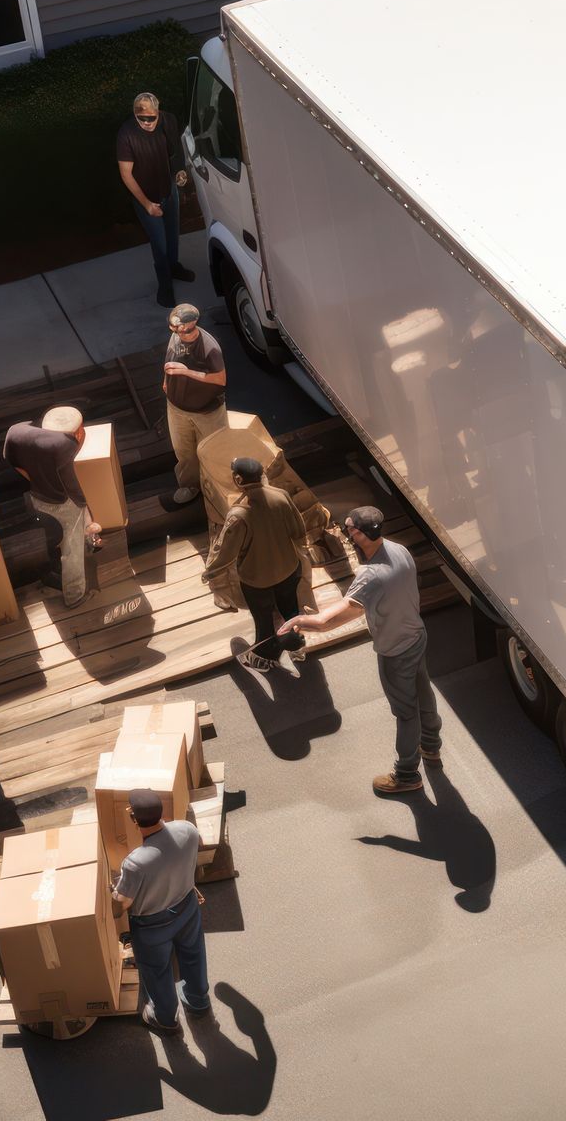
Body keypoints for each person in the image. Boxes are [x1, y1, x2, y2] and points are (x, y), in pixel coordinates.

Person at [281, 506, 440, 795]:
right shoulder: (399, 549)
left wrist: (300, 621)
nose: (344, 534)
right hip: (416, 635)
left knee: (406, 713)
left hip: (395, 650)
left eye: (347, 530)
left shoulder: (371, 576)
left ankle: (406, 774)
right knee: (424, 692)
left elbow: (329, 620)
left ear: (359, 534)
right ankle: (431, 746)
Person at [111, 788, 211, 1033]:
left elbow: (120, 905)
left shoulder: (135, 862)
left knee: (158, 971)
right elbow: (199, 845)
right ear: (161, 812)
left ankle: (166, 1019)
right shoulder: (186, 829)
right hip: (187, 908)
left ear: (133, 818)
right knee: (193, 955)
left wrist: (111, 892)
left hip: (152, 925)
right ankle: (198, 1002)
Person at [212, 457, 308, 673]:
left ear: (237, 479)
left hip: (258, 580)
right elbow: (298, 531)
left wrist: (210, 572)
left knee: (263, 619)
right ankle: (296, 646)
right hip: (289, 568)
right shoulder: (280, 496)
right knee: (290, 609)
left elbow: (226, 552)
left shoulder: (238, 514)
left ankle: (265, 658)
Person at [4, 407, 102, 608]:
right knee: (71, 549)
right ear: (78, 432)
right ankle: (74, 595)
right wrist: (85, 507)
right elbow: (71, 486)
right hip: (61, 502)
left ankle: (59, 568)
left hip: (35, 498)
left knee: (54, 537)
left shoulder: (17, 431)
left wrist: (34, 479)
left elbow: (11, 460)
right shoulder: (65, 445)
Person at [117, 91, 193, 307]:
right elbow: (126, 174)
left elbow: (176, 149)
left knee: (172, 234)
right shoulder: (126, 135)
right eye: (142, 118)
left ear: (158, 112)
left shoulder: (168, 120)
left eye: (151, 117)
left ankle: (174, 267)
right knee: (159, 242)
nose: (147, 122)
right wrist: (147, 204)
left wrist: (179, 170)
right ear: (135, 115)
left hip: (168, 189)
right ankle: (165, 285)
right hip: (146, 196)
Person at [163, 303, 228, 508]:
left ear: (194, 325)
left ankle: (219, 488)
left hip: (206, 411)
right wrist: (166, 381)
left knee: (213, 450)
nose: (181, 334)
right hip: (177, 408)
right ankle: (189, 485)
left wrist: (186, 372)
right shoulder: (175, 337)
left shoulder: (210, 348)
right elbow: (169, 358)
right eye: (175, 330)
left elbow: (220, 380)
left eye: (185, 330)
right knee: (184, 451)